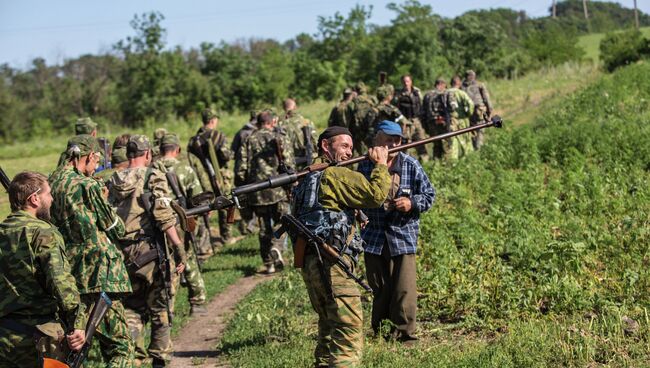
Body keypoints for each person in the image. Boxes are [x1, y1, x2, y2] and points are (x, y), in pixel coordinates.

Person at [291, 126, 390, 367]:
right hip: (333, 264)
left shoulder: (306, 180)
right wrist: (381, 165)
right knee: (348, 332)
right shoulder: (334, 175)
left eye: (351, 147)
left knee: (328, 329)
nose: (349, 152)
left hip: (312, 266)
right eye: (344, 146)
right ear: (326, 146)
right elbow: (376, 195)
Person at [49, 135, 135, 366]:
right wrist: (106, 203)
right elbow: (115, 228)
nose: (96, 166)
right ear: (85, 157)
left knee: (78, 345)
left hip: (67, 275)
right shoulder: (88, 186)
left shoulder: (49, 184)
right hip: (99, 275)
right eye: (95, 160)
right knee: (121, 346)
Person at [108, 135, 186, 368]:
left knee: (132, 308)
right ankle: (160, 359)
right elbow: (164, 216)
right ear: (148, 154)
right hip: (151, 254)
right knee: (160, 308)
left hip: (123, 254)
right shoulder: (152, 176)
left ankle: (132, 357)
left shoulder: (113, 180)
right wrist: (179, 247)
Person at [358, 121, 435, 344]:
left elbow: (429, 195)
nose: (393, 144)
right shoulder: (364, 166)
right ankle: (381, 332)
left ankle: (405, 335)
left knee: (405, 289)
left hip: (403, 236)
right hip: (373, 237)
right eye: (388, 140)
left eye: (397, 140)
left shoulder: (411, 165)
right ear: (376, 141)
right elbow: (356, 198)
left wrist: (411, 203)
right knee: (380, 288)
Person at [0, 171, 86, 367]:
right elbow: (60, 281)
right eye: (49, 194)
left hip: (4, 337)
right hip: (39, 338)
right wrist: (78, 323)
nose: (52, 198)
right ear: (35, 198)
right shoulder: (42, 232)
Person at [155, 133, 208, 316]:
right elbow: (198, 198)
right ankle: (198, 301)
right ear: (177, 150)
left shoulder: (151, 169)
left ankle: (164, 307)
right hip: (180, 223)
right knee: (189, 259)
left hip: (157, 224)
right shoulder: (184, 169)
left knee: (162, 263)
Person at [236, 109, 293, 274]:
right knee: (283, 221)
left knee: (263, 227)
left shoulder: (248, 140)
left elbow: (241, 169)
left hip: (257, 191)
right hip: (279, 189)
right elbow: (289, 165)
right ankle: (277, 246)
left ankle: (268, 263)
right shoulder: (279, 138)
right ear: (271, 122)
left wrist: (243, 189)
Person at [187, 108, 233, 248]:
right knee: (226, 204)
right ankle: (226, 237)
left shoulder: (193, 140)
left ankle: (204, 241)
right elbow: (226, 155)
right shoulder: (218, 135)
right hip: (220, 177)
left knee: (205, 208)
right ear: (213, 120)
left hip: (202, 179)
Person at [231, 111, 258, 235]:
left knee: (243, 198)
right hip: (255, 170)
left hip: (240, 170)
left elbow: (232, 153)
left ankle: (248, 222)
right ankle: (252, 223)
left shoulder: (241, 132)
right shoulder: (258, 133)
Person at [393, 75, 428, 161]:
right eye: (404, 81)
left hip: (416, 120)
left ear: (411, 81)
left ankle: (425, 160)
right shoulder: (399, 95)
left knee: (421, 140)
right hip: (405, 121)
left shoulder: (417, 92)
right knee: (406, 143)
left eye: (407, 81)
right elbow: (395, 109)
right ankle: (405, 161)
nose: (406, 83)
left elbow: (422, 105)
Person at [279, 98, 317, 171]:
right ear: (295, 107)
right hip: (307, 160)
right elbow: (315, 142)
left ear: (284, 108)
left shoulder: (279, 124)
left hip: (288, 165)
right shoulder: (306, 122)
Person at [422, 78, 453, 160]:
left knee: (436, 144)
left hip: (432, 123)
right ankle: (447, 164)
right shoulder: (446, 93)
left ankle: (436, 162)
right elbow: (453, 108)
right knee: (447, 145)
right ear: (444, 84)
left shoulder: (427, 95)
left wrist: (425, 126)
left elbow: (423, 112)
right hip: (444, 122)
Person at [462, 70, 493, 150]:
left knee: (471, 130)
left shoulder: (462, 87)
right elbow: (486, 99)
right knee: (480, 130)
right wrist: (489, 111)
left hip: (467, 112)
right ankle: (478, 148)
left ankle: (473, 148)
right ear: (474, 76)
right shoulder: (479, 84)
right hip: (479, 110)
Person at [447, 76, 475, 159]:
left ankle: (453, 160)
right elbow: (471, 104)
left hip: (449, 120)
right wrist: (468, 114)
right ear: (458, 83)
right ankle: (467, 158)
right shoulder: (461, 93)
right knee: (465, 139)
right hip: (461, 120)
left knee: (453, 141)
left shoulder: (445, 93)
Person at [347, 81, 378, 155]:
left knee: (359, 154)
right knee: (373, 151)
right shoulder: (372, 99)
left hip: (358, 131)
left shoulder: (354, 101)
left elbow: (350, 117)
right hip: (371, 130)